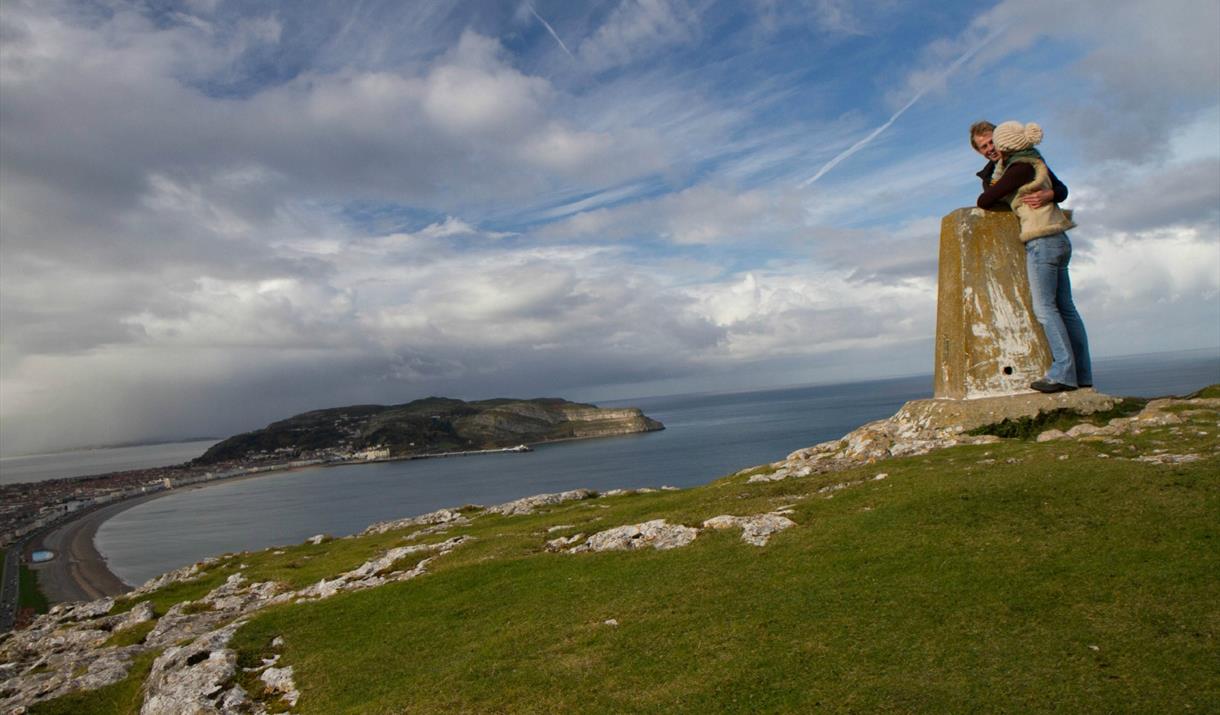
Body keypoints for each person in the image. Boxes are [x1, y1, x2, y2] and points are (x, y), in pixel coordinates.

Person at [975, 121, 1093, 393]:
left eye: (993, 142)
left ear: (1004, 142)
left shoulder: (1019, 166)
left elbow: (986, 200)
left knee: (1045, 309)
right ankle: (1082, 375)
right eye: (983, 147)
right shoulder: (1032, 161)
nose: (990, 149)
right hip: (1058, 238)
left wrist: (1049, 193)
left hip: (1041, 240)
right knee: (1066, 309)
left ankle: (1063, 374)